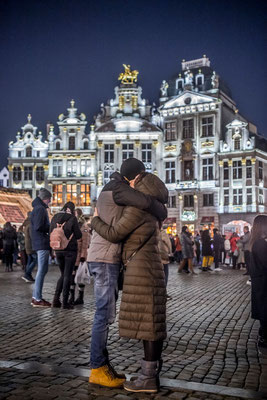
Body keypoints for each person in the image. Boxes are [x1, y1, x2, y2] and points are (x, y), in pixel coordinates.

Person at [87, 158, 167, 389]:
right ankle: (98, 367)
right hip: (105, 258)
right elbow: (144, 204)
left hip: (108, 258)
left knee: (109, 315)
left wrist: (94, 220)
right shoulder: (120, 189)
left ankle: (102, 366)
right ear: (136, 176)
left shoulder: (114, 189)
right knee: (104, 315)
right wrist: (160, 206)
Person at [50, 202, 82, 309]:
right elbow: (78, 235)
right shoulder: (72, 218)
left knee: (63, 274)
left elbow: (50, 232)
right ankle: (65, 302)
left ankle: (55, 300)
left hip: (58, 249)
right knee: (67, 275)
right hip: (70, 250)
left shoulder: (55, 217)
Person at [31, 188, 52, 308]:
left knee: (42, 270)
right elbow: (39, 226)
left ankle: (36, 296)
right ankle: (37, 298)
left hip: (40, 242)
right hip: (42, 242)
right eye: (49, 199)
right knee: (42, 270)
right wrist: (50, 228)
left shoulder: (37, 208)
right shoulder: (40, 209)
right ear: (46, 198)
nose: (50, 202)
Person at [249, 215, 267, 349]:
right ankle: (264, 338)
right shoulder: (260, 243)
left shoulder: (257, 242)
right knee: (265, 309)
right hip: (263, 282)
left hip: (260, 281)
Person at [69, 208, 91, 305]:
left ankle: (80, 297)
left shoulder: (83, 227)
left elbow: (85, 244)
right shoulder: (71, 224)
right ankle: (72, 296)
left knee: (80, 276)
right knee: (72, 276)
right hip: (72, 255)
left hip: (79, 257)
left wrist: (83, 257)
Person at [22, 212, 37, 283]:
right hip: (31, 246)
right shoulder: (31, 225)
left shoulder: (26, 224)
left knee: (30, 260)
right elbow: (32, 237)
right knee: (34, 260)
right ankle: (27, 274)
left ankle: (28, 275)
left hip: (27, 245)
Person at [159, 227, 172, 296]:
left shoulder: (151, 231)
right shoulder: (162, 232)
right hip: (162, 255)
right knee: (165, 275)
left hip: (154, 256)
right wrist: (170, 251)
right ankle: (163, 292)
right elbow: (168, 243)